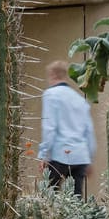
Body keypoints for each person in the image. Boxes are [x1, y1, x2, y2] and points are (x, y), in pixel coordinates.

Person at [38, 59, 94, 195]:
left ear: (52, 75)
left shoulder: (51, 95)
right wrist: (90, 158)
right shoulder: (80, 100)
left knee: (50, 199)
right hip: (81, 156)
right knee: (76, 200)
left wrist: (44, 155)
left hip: (59, 154)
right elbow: (89, 132)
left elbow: (49, 127)